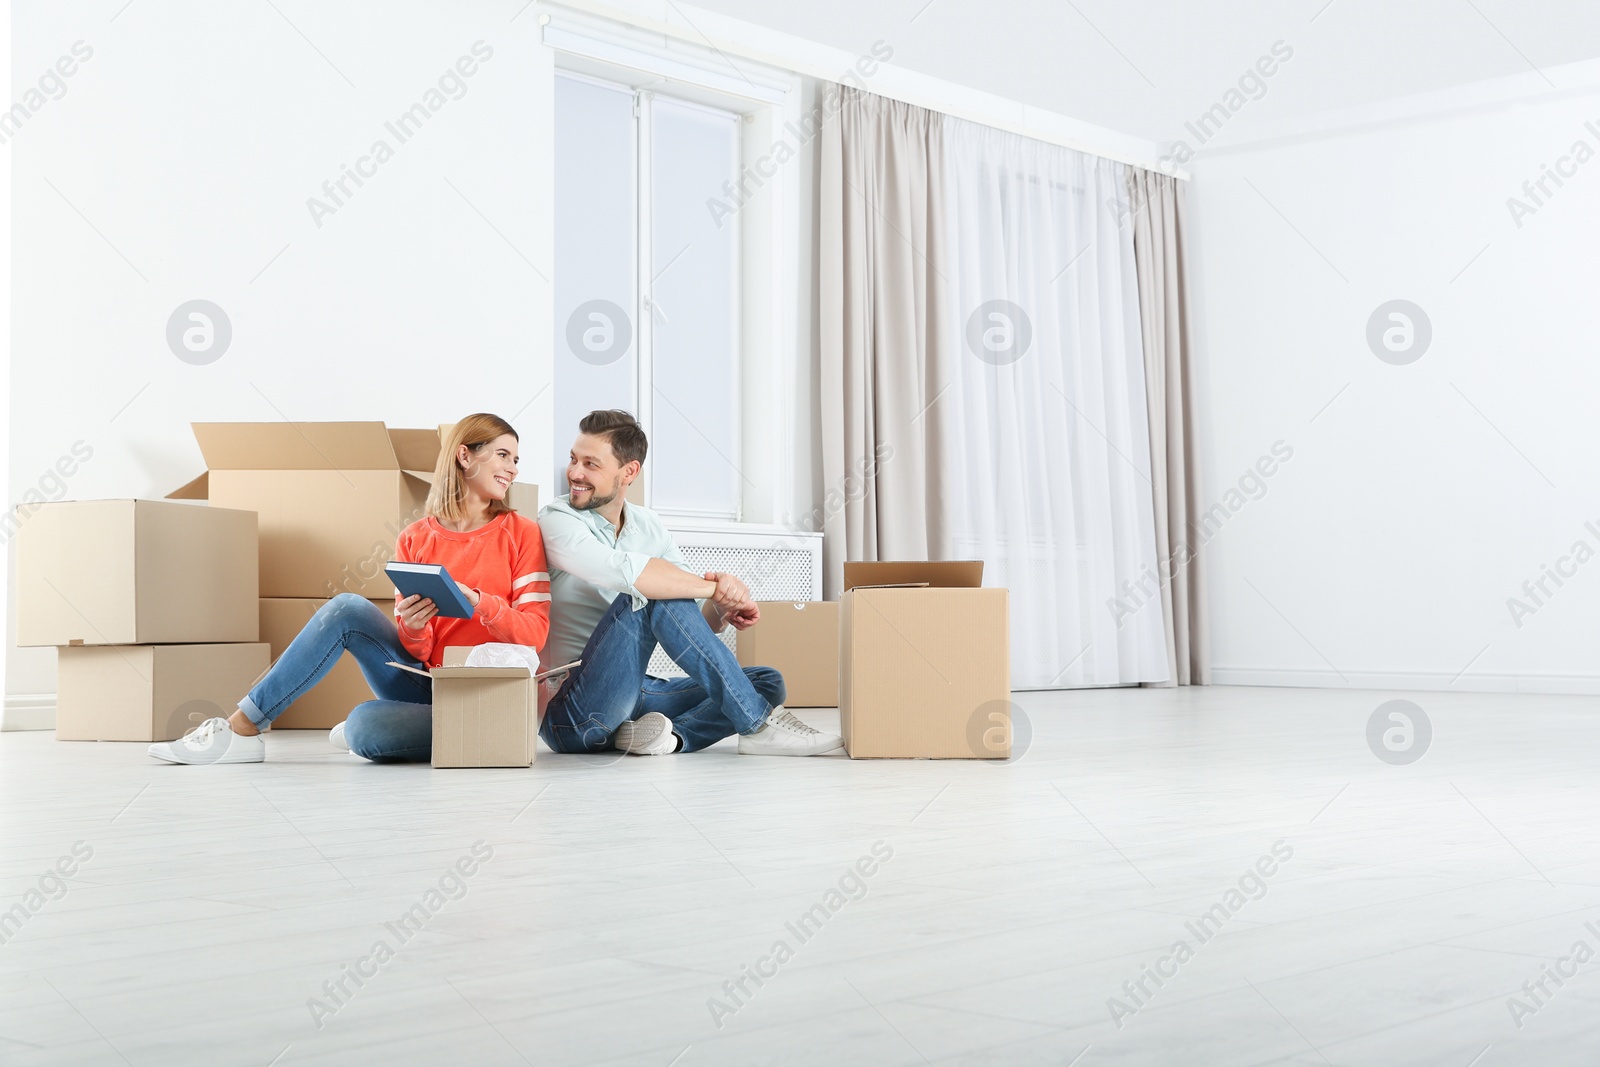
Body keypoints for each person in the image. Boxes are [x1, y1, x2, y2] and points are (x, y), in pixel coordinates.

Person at [147, 413, 550, 765]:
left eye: (516, 460)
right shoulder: (415, 538)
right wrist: (412, 626)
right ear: (465, 456)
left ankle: (385, 728)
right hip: (429, 683)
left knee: (363, 728)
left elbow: (534, 634)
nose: (512, 468)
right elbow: (418, 652)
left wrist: (479, 602)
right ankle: (243, 729)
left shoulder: (521, 533)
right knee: (346, 608)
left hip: (488, 694)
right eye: (503, 455)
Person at [538, 409, 841, 757]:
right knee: (651, 591)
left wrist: (721, 607)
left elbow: (694, 619)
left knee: (765, 681)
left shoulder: (649, 525)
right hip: (572, 713)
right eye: (574, 459)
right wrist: (714, 587)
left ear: (629, 471)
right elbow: (619, 571)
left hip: (633, 694)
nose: (574, 473)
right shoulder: (556, 519)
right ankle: (756, 726)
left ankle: (671, 739)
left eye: (591, 464)